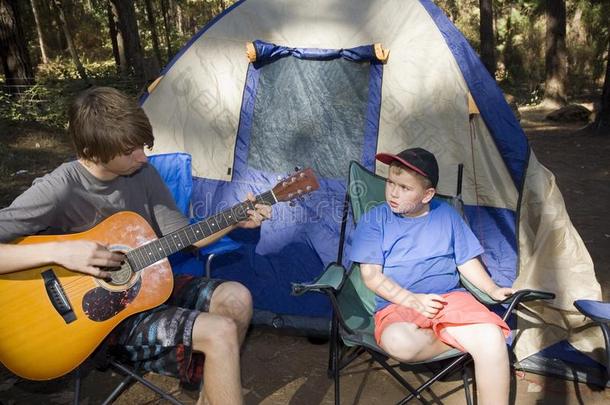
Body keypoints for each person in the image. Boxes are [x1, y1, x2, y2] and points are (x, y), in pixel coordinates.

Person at [0, 86, 271, 405]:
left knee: (237, 298)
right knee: (220, 331)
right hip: (97, 323)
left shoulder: (143, 173)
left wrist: (235, 219)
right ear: (93, 149)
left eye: (142, 146)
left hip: (150, 289)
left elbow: (187, 236)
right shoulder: (59, 188)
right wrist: (61, 252)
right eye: (130, 150)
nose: (143, 157)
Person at [349, 147, 515, 405]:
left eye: (405, 188)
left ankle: (463, 335)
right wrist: (413, 300)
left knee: (493, 339)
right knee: (398, 342)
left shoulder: (446, 215)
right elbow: (371, 276)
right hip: (398, 305)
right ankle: (460, 335)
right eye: (391, 182)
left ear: (428, 194)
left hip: (450, 300)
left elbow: (466, 261)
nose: (393, 192)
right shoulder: (375, 220)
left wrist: (493, 290)